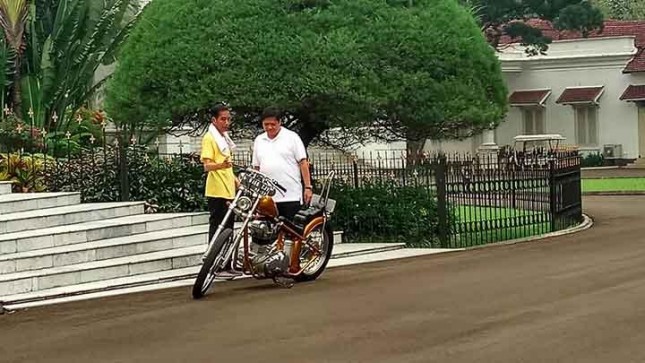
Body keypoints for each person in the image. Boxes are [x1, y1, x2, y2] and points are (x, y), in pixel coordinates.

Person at [252, 107, 312, 221]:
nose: (269, 127)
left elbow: (303, 163)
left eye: (273, 124)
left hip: (291, 195)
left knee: (290, 232)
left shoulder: (292, 137)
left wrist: (308, 187)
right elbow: (256, 168)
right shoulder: (259, 140)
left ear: (280, 122)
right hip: (267, 199)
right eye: (266, 124)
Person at [201, 103, 237, 244]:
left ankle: (225, 261)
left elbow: (228, 167)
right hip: (217, 190)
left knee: (229, 227)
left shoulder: (224, 138)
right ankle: (213, 259)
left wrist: (237, 182)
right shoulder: (210, 138)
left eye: (228, 119)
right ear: (214, 120)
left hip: (229, 189)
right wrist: (222, 165)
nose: (226, 123)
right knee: (218, 226)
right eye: (223, 119)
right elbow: (207, 166)